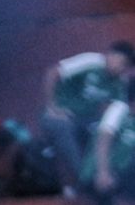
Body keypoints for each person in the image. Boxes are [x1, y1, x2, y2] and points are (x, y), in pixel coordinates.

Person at [38, 41, 135, 192]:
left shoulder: (121, 81)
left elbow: (119, 109)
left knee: (112, 134)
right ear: (110, 54)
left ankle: (106, 180)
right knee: (62, 127)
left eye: (125, 66)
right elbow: (52, 73)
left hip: (88, 119)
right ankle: (82, 181)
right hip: (62, 115)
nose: (120, 67)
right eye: (119, 61)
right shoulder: (91, 61)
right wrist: (52, 106)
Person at [81, 98, 135, 205]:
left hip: (123, 172)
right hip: (98, 169)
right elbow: (104, 138)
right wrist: (103, 172)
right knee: (103, 187)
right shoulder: (119, 109)